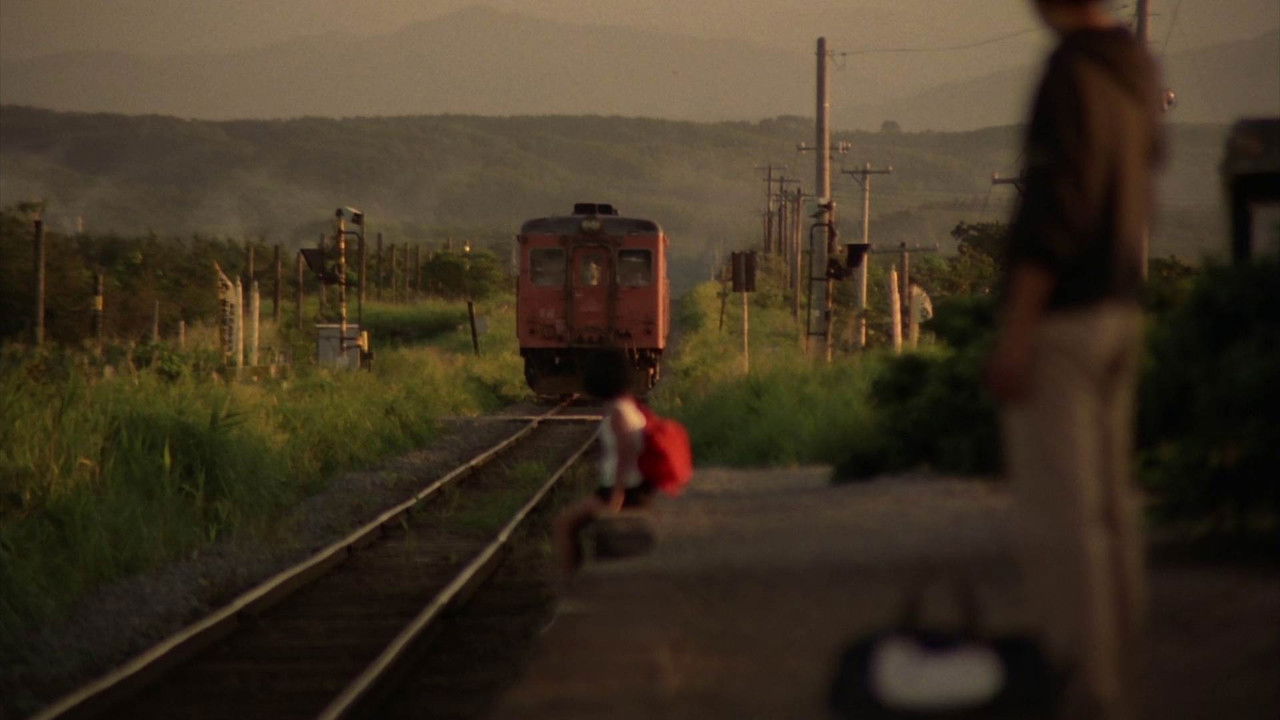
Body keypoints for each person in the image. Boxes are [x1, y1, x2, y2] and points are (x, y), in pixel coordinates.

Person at [985, 2, 1163, 719]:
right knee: (1113, 509)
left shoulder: (1070, 73)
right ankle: (1117, 674)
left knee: (1066, 516)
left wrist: (1018, 329)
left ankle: (1086, 690)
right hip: (1122, 307)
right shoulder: (1134, 66)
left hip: (1064, 318)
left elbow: (1056, 208)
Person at [553, 349, 652, 580]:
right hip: (627, 487)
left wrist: (616, 499)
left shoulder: (618, 412)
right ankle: (578, 581)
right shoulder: (627, 405)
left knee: (563, 525)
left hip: (623, 491)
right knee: (569, 524)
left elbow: (625, 455)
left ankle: (572, 586)